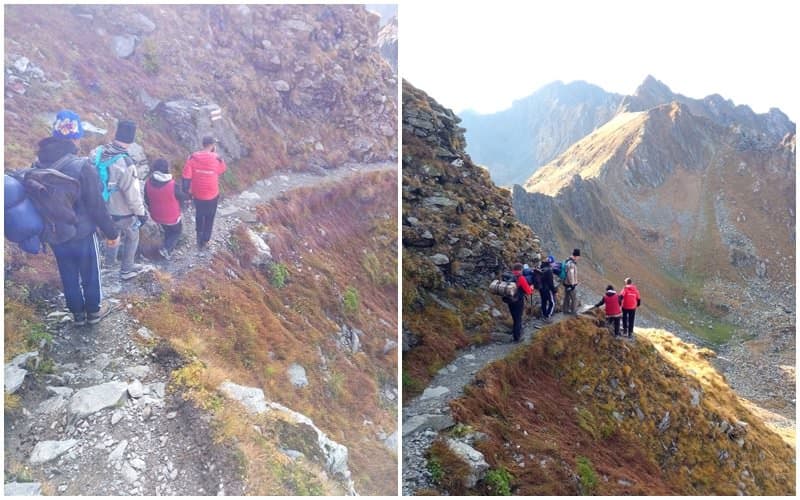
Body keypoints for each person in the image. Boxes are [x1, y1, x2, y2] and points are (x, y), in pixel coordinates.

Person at [37, 110, 120, 325]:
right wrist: (112, 233)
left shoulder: (38, 165)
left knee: (68, 273)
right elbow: (97, 206)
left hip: (56, 233)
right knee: (90, 272)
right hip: (82, 233)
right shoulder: (82, 166)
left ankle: (77, 314)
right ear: (75, 137)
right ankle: (93, 311)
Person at [91, 119, 148, 280]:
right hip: (120, 211)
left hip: (99, 207)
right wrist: (141, 213)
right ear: (130, 140)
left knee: (112, 234)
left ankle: (109, 265)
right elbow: (132, 194)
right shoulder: (125, 162)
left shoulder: (98, 152)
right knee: (132, 235)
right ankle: (126, 270)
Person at [182, 136, 227, 252]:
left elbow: (186, 176)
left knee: (199, 213)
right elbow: (221, 170)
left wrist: (186, 193)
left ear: (202, 144)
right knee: (210, 215)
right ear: (212, 145)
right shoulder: (217, 158)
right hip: (212, 193)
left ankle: (199, 237)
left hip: (197, 193)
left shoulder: (192, 157)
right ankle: (206, 239)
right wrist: (214, 155)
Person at [144, 158, 189, 259]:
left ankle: (165, 247)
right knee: (177, 232)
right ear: (166, 169)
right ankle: (166, 249)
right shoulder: (172, 185)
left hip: (156, 216)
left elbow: (147, 200)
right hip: (172, 217)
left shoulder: (148, 183)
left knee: (168, 230)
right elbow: (182, 197)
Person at [507, 262, 533, 343]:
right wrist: (531, 288)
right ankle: (517, 338)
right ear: (520, 270)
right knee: (518, 319)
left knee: (515, 318)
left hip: (510, 300)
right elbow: (528, 291)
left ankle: (514, 333)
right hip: (518, 301)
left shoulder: (511, 276)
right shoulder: (521, 278)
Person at [562, 248, 580, 314]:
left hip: (566, 283)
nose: (579, 258)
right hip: (570, 284)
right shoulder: (572, 264)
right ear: (576, 256)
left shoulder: (568, 261)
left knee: (566, 297)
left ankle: (565, 310)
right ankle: (574, 311)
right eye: (578, 256)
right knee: (574, 298)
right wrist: (572, 284)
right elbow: (571, 274)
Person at [539, 256, 557, 321]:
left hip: (541, 288)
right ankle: (547, 316)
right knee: (552, 303)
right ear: (550, 263)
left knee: (543, 301)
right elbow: (550, 283)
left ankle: (543, 314)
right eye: (552, 263)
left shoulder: (541, 267)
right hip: (547, 289)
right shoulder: (549, 271)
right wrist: (554, 290)